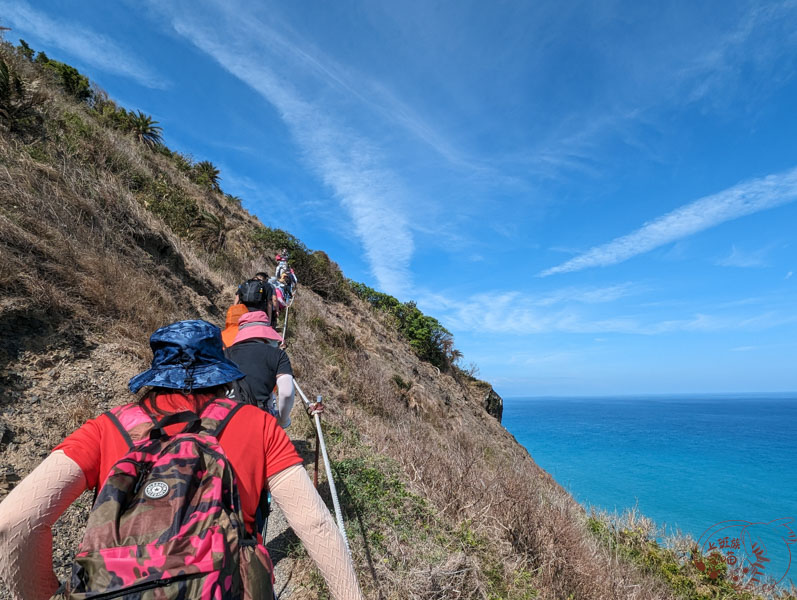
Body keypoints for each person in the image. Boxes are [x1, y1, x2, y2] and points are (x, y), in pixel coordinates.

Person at [0, 320, 362, 600]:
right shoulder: (259, 425)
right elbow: (314, 524)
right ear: (221, 372)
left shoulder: (106, 427)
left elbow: (14, 520)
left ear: (157, 374)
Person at [225, 311, 294, 428]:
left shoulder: (225, 354)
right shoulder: (277, 355)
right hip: (260, 418)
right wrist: (283, 420)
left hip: (227, 417)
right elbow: (286, 393)